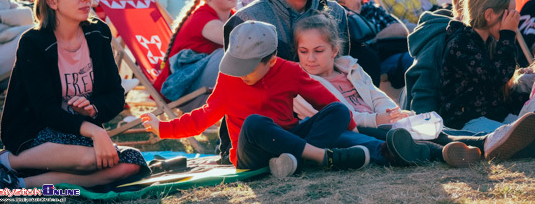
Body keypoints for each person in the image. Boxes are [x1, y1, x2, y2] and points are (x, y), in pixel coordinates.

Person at [0, 0, 148, 190]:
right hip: (34, 131)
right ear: (52, 1)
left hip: (76, 130)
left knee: (132, 165)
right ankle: (4, 160)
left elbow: (115, 95)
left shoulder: (98, 33)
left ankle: (17, 182)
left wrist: (93, 108)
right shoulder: (34, 42)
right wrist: (94, 131)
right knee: (88, 161)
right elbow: (45, 110)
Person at [294, 13, 535, 163]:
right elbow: (336, 117)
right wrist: (378, 119)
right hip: (362, 131)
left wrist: (391, 112)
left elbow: (377, 95)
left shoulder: (350, 68)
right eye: (303, 52)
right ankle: (487, 143)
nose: (310, 59)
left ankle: (497, 141)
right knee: (434, 135)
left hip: (385, 121)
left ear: (334, 50)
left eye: (318, 51)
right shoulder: (303, 83)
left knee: (438, 129)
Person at [143, 20, 371, 179]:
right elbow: (203, 115)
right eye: (237, 65)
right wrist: (162, 128)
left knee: (339, 111)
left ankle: (293, 163)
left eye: (248, 68)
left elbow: (326, 100)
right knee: (255, 122)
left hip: (289, 139)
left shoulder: (289, 70)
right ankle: (323, 158)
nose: (241, 73)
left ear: (271, 61)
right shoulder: (228, 77)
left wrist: (352, 127)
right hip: (252, 153)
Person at [440, 0, 530, 132]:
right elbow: (495, 76)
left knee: (529, 132)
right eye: (508, 14)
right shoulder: (461, 43)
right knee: (519, 138)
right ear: (489, 15)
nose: (513, 20)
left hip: (494, 115)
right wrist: (507, 34)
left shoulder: (487, 41)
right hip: (467, 120)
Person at [154, 0, 238, 112]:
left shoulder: (233, 16)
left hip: (200, 86)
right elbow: (239, 42)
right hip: (180, 91)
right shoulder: (202, 19)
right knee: (228, 53)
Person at [317, 0, 411, 89]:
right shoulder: (326, 9)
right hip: (346, 67)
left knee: (414, 60)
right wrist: (354, 14)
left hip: (381, 60)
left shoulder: (366, 6)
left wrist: (372, 40)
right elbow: (341, 47)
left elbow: (400, 29)